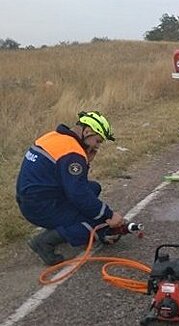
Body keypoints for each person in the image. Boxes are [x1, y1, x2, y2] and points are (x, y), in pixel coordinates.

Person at [15, 111, 124, 265]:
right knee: (93, 225)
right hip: (40, 207)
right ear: (87, 132)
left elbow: (77, 185)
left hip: (32, 198)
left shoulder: (54, 137)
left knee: (94, 188)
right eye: (98, 141)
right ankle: (43, 243)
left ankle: (64, 225)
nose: (98, 146)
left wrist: (86, 159)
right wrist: (108, 216)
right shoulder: (73, 153)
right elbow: (79, 195)